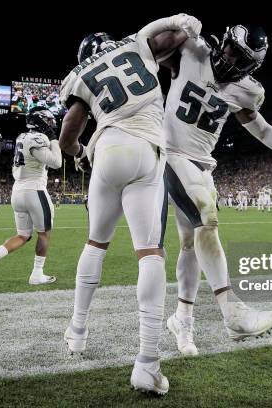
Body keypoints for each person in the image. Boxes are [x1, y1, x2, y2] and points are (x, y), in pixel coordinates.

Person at [58, 14, 201, 395]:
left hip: (106, 147)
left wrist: (78, 152)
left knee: (95, 244)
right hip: (147, 148)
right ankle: (147, 364)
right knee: (150, 253)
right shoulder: (135, 44)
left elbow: (69, 131)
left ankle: (76, 332)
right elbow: (174, 36)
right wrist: (183, 25)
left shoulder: (81, 72)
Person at [159, 24, 272, 356]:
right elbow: (150, 50)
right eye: (231, 49)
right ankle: (232, 312)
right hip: (172, 155)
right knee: (207, 219)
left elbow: (260, 127)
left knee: (191, 245)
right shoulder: (192, 51)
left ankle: (182, 319)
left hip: (203, 166)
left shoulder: (246, 91)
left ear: (251, 66)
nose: (230, 58)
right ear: (225, 41)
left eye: (240, 58)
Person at [0, 107, 62, 286]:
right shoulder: (39, 138)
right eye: (48, 120)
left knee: (23, 235)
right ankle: (37, 274)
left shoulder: (21, 137)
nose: (51, 124)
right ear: (41, 121)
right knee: (44, 234)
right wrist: (53, 139)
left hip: (17, 191)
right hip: (35, 190)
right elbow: (56, 162)